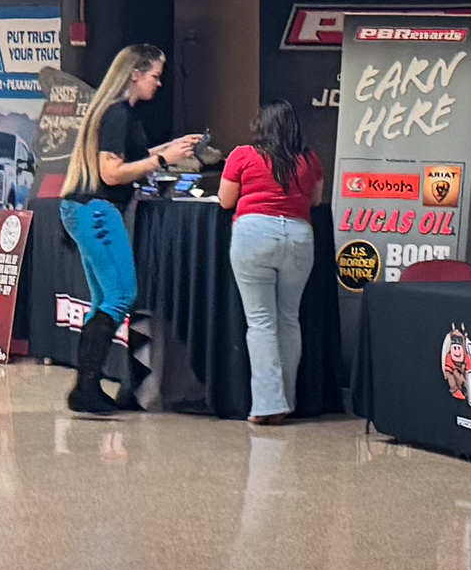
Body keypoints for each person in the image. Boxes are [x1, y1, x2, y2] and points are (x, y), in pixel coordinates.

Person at [58, 45, 200, 416]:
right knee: (121, 296)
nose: (159, 83)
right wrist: (164, 159)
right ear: (135, 74)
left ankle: (86, 386)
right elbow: (112, 173)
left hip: (83, 208)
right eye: (155, 75)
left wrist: (169, 149)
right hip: (98, 210)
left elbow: (128, 158)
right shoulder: (118, 114)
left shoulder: (115, 113)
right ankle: (85, 387)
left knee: (103, 300)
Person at [215, 99, 324, 426]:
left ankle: (267, 405)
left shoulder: (243, 155)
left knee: (261, 322)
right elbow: (316, 200)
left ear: (260, 126)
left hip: (254, 235)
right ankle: (286, 401)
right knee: (289, 320)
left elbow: (225, 200)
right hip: (299, 237)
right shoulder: (310, 159)